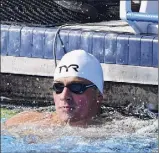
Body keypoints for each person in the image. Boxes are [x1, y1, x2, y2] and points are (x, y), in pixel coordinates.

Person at [5, 50, 104, 128]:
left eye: (76, 87)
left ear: (98, 95)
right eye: (58, 87)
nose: (64, 96)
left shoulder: (113, 132)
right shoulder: (24, 123)